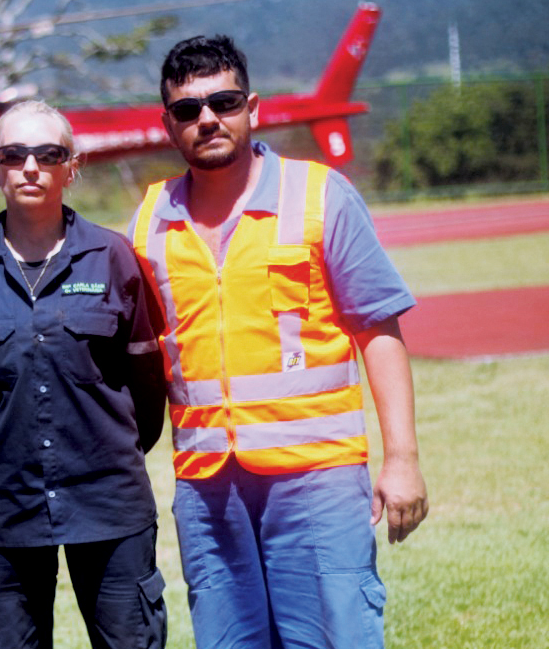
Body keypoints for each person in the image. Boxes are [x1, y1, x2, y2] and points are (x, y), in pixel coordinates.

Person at [127, 34, 429, 648]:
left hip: (317, 480)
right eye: (188, 110)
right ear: (168, 125)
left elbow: (378, 328)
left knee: (334, 635)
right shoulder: (148, 220)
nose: (208, 118)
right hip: (208, 485)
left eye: (225, 101)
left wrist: (402, 459)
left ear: (253, 107)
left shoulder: (320, 196)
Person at [0, 100, 169, 649]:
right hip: (4, 506)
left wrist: (108, 449)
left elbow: (146, 384)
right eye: (14, 155)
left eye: (48, 153)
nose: (31, 167)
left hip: (109, 503)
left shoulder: (113, 257)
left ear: (72, 166)